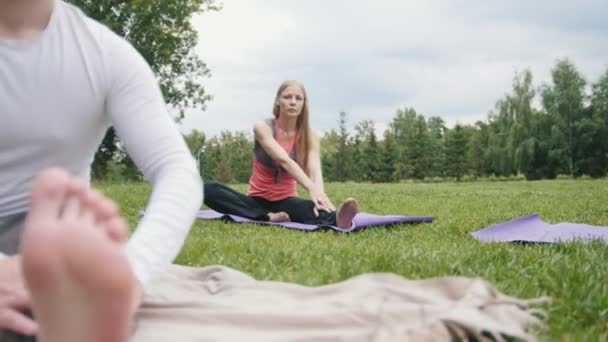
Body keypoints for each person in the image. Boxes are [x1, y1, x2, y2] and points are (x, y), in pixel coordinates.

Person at [0, 0, 203, 340]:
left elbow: (176, 169)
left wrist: (133, 270)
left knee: (53, 295)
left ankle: (78, 296)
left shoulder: (104, 54)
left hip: (54, 232)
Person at [204, 80, 358, 230]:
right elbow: (284, 160)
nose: (293, 102)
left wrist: (320, 197)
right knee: (208, 189)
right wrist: (311, 188)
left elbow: (315, 170)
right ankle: (267, 217)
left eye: (298, 98)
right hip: (256, 200)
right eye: (287, 97)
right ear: (278, 101)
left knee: (309, 208)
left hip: (286, 201)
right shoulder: (263, 127)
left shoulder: (310, 136)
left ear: (303, 104)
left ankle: (336, 219)